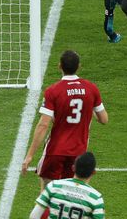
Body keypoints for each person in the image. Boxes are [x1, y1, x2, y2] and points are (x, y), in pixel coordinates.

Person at [22, 50, 108, 191]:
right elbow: (104, 119)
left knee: (47, 195)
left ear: (59, 66)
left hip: (55, 150)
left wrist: (29, 155)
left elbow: (43, 124)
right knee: (71, 196)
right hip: (78, 152)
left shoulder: (53, 91)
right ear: (79, 66)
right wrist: (88, 107)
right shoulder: (91, 89)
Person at [29, 152, 105, 219]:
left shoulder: (53, 186)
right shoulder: (96, 198)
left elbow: (34, 216)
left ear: (73, 168)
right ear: (94, 172)